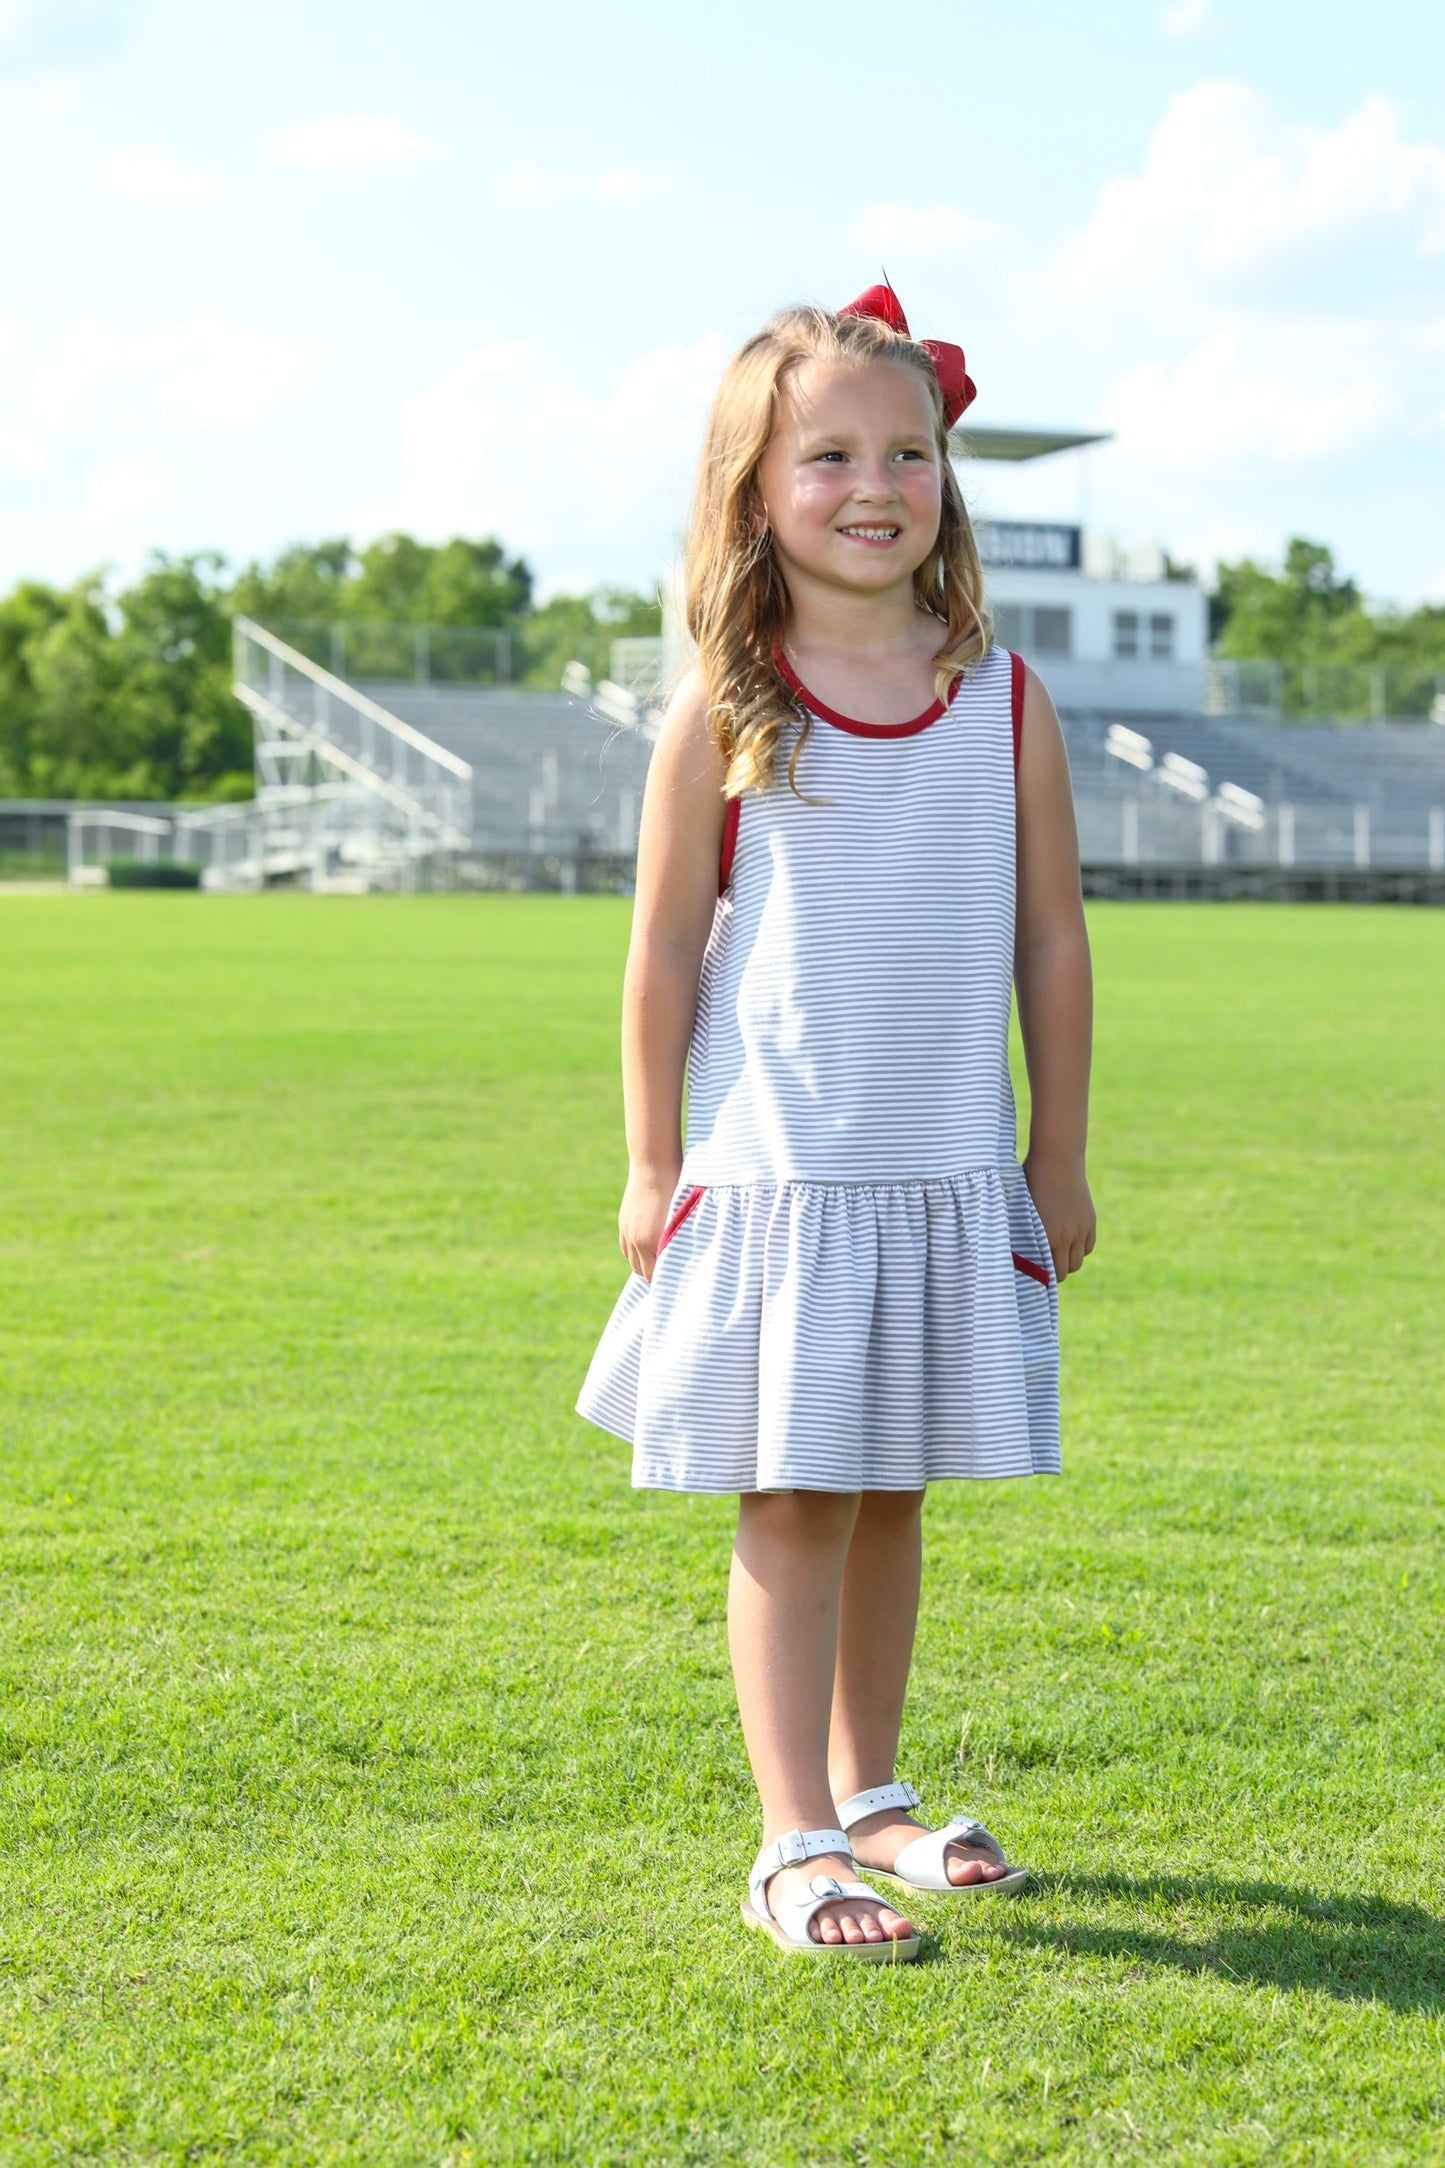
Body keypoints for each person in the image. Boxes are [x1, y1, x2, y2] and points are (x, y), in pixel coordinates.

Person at [577, 283, 1096, 1961]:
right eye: (829, 457)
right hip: (782, 1179)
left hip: (939, 1170)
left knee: (895, 1491)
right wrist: (653, 1160)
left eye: (910, 452)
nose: (877, 486)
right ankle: (788, 1835)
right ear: (754, 490)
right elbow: (661, 951)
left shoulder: (1001, 698)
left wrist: (1055, 1151)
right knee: (793, 1494)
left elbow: (1049, 936)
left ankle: (870, 1794)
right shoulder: (726, 710)